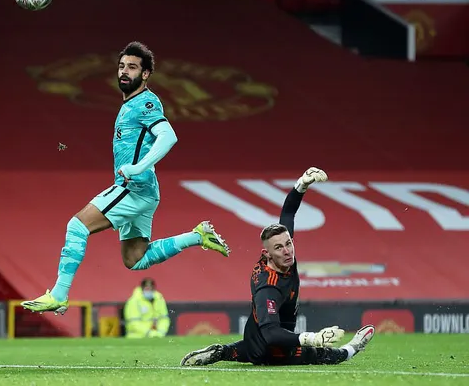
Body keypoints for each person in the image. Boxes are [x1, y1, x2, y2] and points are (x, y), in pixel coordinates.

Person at [22, 41, 231, 315]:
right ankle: (197, 236)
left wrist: (138, 167)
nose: (124, 72)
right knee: (135, 259)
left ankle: (59, 295)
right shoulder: (129, 104)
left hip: (133, 188)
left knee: (77, 226)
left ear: (145, 74)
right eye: (121, 66)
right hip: (146, 193)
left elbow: (169, 136)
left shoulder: (145, 102)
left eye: (132, 67)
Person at [180, 167, 376, 367]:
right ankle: (351, 349)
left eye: (289, 243)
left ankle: (223, 352)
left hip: (252, 340)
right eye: (280, 248)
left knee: (248, 346)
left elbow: (288, 213)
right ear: (267, 254)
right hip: (274, 349)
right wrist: (313, 338)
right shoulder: (268, 288)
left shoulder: (280, 254)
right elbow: (272, 334)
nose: (287, 250)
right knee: (325, 355)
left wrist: (301, 185)